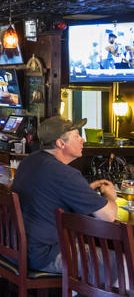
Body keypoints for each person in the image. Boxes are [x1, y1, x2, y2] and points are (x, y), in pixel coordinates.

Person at [12, 116, 117, 273]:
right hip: (45, 254)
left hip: (16, 247)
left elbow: (51, 192)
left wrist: (85, 189)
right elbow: (108, 216)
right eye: (76, 136)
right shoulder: (66, 174)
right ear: (61, 144)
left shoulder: (29, 161)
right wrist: (110, 197)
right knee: (122, 261)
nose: (82, 140)